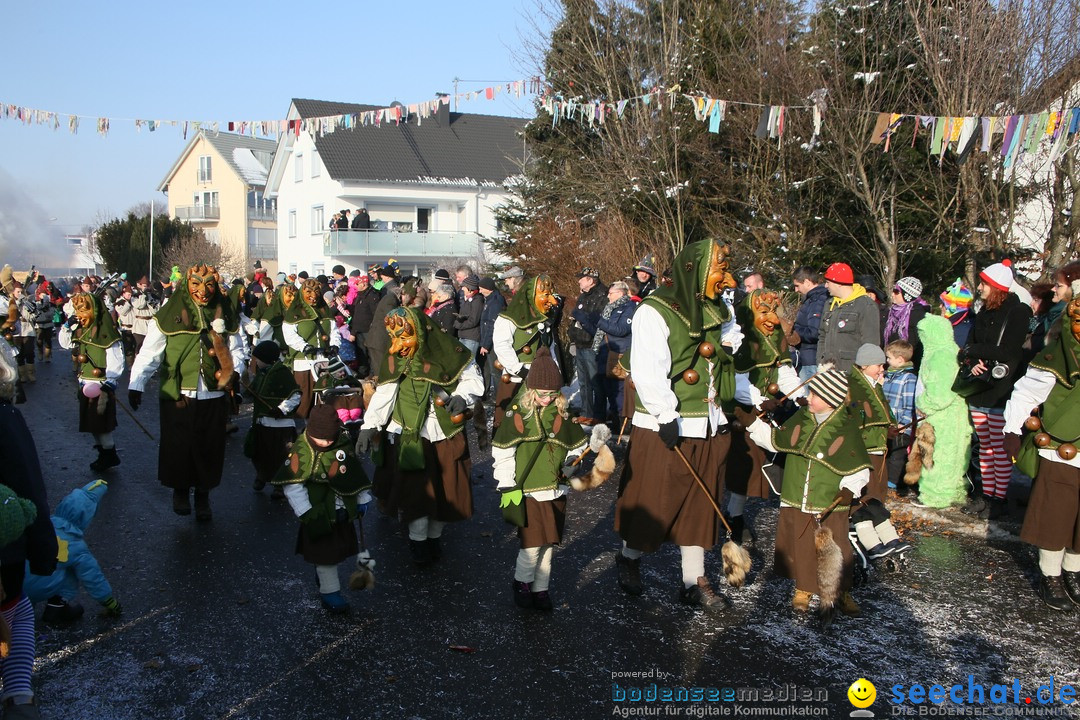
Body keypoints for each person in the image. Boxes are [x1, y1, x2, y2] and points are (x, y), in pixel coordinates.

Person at [614, 239, 742, 612]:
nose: (727, 278)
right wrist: (666, 416)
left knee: (700, 505)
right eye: (719, 270)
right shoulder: (653, 311)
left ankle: (693, 580)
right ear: (696, 271)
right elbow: (648, 368)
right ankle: (630, 557)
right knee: (653, 500)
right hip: (664, 425)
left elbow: (728, 345)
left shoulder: (718, 308)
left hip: (708, 423)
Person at [356, 306, 484, 565]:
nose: (396, 347)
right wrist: (369, 426)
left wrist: (461, 396)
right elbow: (385, 393)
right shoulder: (396, 358)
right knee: (416, 494)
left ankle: (434, 538)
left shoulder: (451, 350)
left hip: (445, 433)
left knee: (446, 492)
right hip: (410, 435)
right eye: (394, 338)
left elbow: (473, 380)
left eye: (403, 338)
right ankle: (418, 542)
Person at [740, 369, 869, 616]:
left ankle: (841, 592)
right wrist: (752, 423)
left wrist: (849, 489)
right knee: (801, 546)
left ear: (831, 399)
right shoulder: (802, 418)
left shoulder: (846, 427)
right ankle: (804, 589)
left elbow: (859, 465)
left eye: (815, 395)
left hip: (830, 500)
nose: (808, 398)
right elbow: (776, 440)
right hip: (797, 497)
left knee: (838, 546)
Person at [128, 264, 248, 521]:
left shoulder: (224, 312)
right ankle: (180, 491)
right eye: (196, 284)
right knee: (179, 444)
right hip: (179, 393)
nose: (203, 291)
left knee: (210, 446)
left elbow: (238, 349)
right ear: (187, 285)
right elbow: (150, 352)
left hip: (213, 393)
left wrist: (234, 371)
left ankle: (203, 496)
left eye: (209, 285)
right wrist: (136, 383)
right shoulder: (170, 312)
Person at [492, 352, 607, 611]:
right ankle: (521, 583)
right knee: (532, 545)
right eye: (541, 394)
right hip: (527, 492)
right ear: (530, 390)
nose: (546, 399)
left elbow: (576, 448)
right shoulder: (517, 416)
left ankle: (541, 589)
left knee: (548, 545)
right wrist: (506, 483)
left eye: (552, 394)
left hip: (556, 490)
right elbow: (503, 452)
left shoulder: (561, 416)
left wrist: (572, 462)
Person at [1004, 279, 1080, 611]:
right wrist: (1011, 429)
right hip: (1062, 448)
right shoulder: (1057, 356)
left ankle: (1073, 570)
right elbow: (1026, 393)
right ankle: (1051, 574)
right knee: (1057, 512)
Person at [0, 339, 59, 717]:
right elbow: (27, 482)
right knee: (15, 611)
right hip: (3, 547)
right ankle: (19, 695)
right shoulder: (4, 418)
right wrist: (43, 548)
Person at [273, 404, 372, 614]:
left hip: (341, 509)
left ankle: (323, 573)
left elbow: (354, 473)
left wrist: (362, 497)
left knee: (336, 551)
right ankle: (330, 593)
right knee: (325, 556)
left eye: (330, 438)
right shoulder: (303, 450)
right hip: (318, 514)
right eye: (321, 439)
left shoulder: (341, 444)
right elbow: (293, 484)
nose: (326, 442)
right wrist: (306, 512)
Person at [957, 260, 1032, 520]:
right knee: (984, 445)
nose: (979, 288)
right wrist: (971, 360)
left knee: (998, 448)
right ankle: (986, 495)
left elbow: (1009, 351)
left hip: (1000, 389)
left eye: (984, 284)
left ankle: (998, 499)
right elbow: (969, 345)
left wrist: (974, 352)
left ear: (997, 287)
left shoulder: (1018, 311)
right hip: (979, 388)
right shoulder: (984, 311)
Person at [728, 289, 803, 545]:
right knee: (741, 468)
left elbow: (784, 369)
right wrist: (759, 400)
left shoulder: (776, 336)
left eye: (774, 311)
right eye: (764, 312)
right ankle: (733, 517)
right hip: (742, 408)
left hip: (768, 407)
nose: (771, 318)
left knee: (762, 464)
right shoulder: (743, 339)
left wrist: (799, 394)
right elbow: (736, 381)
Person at [24, 479, 123, 625]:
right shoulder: (76, 546)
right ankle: (56, 608)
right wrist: (109, 601)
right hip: (38, 588)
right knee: (72, 572)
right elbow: (92, 577)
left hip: (14, 587)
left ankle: (22, 611)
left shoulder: (42, 525)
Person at [58, 293, 125, 472]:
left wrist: (109, 382)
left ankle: (109, 456)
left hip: (100, 386)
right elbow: (65, 344)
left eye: (83, 309)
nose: (80, 314)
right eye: (78, 310)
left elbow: (116, 360)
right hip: (85, 386)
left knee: (102, 426)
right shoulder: (81, 330)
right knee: (93, 425)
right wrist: (66, 326)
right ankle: (103, 455)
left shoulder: (107, 335)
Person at [491, 275, 561, 429]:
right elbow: (502, 345)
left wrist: (554, 371)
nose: (552, 301)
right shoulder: (508, 319)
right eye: (546, 296)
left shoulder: (545, 320)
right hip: (516, 381)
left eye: (552, 295)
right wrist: (520, 370)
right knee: (511, 426)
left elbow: (549, 348)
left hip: (544, 384)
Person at [246, 341, 301, 499]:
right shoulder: (262, 374)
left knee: (280, 456)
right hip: (262, 424)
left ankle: (280, 484)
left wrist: (281, 409)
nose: (255, 362)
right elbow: (253, 390)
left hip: (280, 426)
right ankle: (262, 476)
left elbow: (295, 395)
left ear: (267, 359)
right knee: (260, 453)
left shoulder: (282, 373)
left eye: (258, 359)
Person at [282, 278, 341, 418]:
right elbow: (289, 335)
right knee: (304, 395)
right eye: (309, 292)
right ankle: (299, 425)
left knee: (325, 394)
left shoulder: (324, 310)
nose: (313, 296)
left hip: (324, 359)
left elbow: (334, 331)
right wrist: (304, 346)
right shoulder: (294, 312)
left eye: (316, 292)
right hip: (304, 361)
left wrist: (335, 345)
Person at [817, 262, 881, 372]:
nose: (826, 286)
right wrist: (820, 361)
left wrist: (864, 371)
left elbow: (871, 343)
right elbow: (822, 336)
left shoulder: (866, 305)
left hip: (852, 371)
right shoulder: (829, 304)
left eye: (828, 282)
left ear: (839, 283)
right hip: (828, 370)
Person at [568, 267, 608, 425]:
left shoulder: (602, 295)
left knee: (595, 381)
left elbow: (596, 320)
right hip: (579, 343)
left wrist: (581, 318)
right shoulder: (583, 295)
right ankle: (586, 412)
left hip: (592, 345)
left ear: (591, 280)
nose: (579, 281)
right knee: (583, 381)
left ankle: (598, 415)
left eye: (582, 278)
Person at [593, 280, 635, 425]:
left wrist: (599, 321)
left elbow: (621, 330)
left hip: (619, 355)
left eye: (610, 294)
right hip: (606, 354)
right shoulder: (609, 308)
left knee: (619, 393)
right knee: (610, 391)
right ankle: (616, 419)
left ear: (620, 293)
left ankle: (623, 423)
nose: (608, 297)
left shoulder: (629, 308)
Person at [882, 340, 918, 496]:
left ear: (900, 359)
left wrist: (903, 424)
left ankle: (894, 483)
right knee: (888, 452)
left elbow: (909, 404)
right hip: (888, 424)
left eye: (889, 358)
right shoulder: (888, 376)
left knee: (898, 455)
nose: (887, 361)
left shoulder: (908, 378)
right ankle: (885, 480)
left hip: (901, 427)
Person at [789, 266, 829, 381]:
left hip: (811, 359)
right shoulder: (813, 299)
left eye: (797, 285)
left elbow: (814, 332)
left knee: (808, 398)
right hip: (808, 357)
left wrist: (794, 331)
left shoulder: (817, 300)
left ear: (807, 282)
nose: (796, 290)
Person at [884, 276, 929, 368]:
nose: (892, 294)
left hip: (909, 366)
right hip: (892, 363)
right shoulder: (892, 312)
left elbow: (920, 346)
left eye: (896, 292)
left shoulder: (917, 314)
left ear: (907, 296)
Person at [364, 266, 401, 373]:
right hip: (379, 338)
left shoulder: (389, 291)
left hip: (378, 337)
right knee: (380, 368)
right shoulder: (391, 296)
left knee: (378, 367)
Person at [477, 277, 507, 398]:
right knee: (488, 369)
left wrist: (485, 344)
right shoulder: (490, 300)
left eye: (481, 289)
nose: (479, 291)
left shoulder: (495, 302)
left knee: (495, 371)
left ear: (488, 289)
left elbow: (491, 324)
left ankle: (499, 397)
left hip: (493, 342)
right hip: (490, 341)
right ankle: (490, 393)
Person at [939, 279, 975, 348]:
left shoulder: (961, 333)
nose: (940, 306)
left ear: (953, 308)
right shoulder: (958, 322)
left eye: (943, 304)